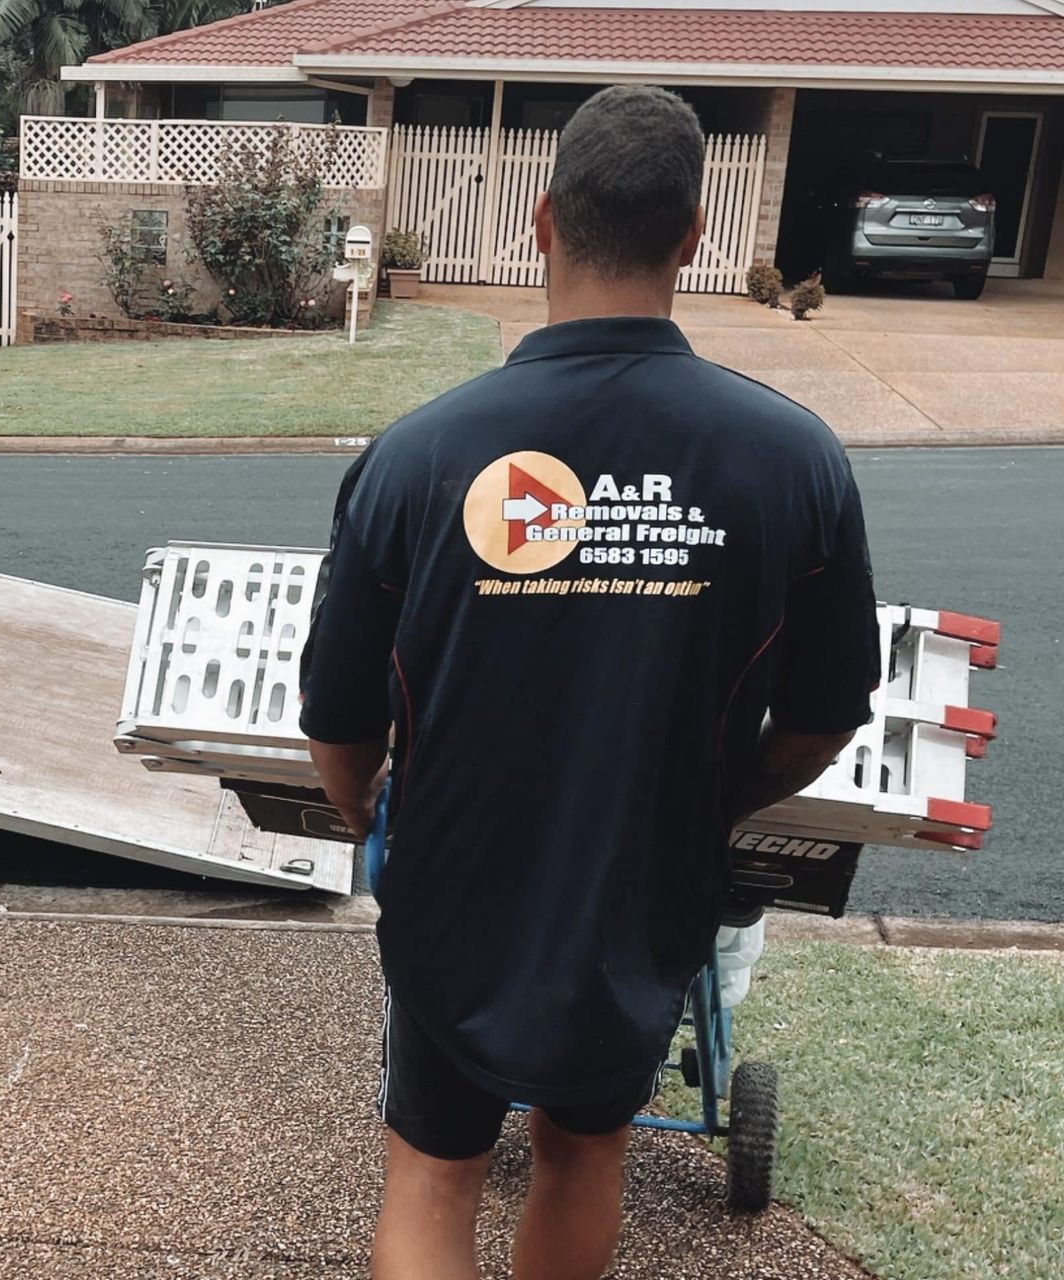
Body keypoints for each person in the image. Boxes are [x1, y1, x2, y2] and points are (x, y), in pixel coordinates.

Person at [298, 85, 879, 1280]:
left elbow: (338, 718)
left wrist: (370, 816)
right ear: (695, 236)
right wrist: (714, 801)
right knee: (582, 1153)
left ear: (542, 220)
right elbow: (825, 715)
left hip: (455, 877)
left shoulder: (418, 454)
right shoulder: (792, 459)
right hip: (644, 878)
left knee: (434, 1171)